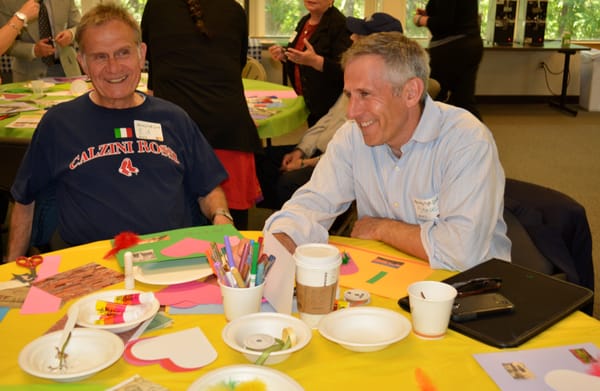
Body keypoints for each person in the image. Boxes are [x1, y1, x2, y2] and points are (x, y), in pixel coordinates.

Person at [263, 32, 511, 271]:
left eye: (365, 94)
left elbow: (462, 252)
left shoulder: (465, 140)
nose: (351, 113)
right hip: (391, 274)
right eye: (350, 95)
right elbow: (315, 202)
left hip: (470, 289)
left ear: (410, 93)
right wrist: (283, 237)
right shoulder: (353, 136)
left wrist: (382, 228)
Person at [7, 2, 233, 261]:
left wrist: (221, 217)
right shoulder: (59, 124)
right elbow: (24, 199)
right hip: (91, 266)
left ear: (142, 53)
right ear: (82, 62)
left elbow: (208, 187)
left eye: (123, 52)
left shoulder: (173, 118)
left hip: (171, 262)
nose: (114, 67)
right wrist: (9, 271)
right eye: (100, 56)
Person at [257, 13, 403, 210]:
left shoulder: (385, 92)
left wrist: (306, 163)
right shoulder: (360, 77)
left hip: (337, 160)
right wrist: (300, 150)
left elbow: (356, 152)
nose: (351, 38)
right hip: (321, 148)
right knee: (261, 159)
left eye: (359, 36)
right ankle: (272, 223)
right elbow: (329, 118)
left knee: (288, 182)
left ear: (378, 45)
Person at [141, 0, 262, 230]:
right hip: (229, 132)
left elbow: (153, 65)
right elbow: (236, 65)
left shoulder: (157, 7)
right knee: (233, 237)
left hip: (176, 134)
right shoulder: (234, 10)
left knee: (177, 231)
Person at [268, 0, 351, 126]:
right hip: (309, 100)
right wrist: (285, 55)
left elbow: (346, 69)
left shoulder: (340, 25)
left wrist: (316, 62)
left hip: (329, 106)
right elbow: (300, 55)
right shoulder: (304, 21)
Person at [413, 0, 483, 120]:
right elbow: (453, 14)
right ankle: (479, 135)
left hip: (452, 49)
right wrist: (430, 14)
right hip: (470, 44)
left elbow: (444, 23)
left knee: (433, 96)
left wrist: (420, 20)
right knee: (464, 99)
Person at [0, 0, 80, 81]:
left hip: (68, 69)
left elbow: (80, 26)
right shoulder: (7, 2)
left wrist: (71, 34)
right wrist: (33, 50)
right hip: (29, 75)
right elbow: (5, 43)